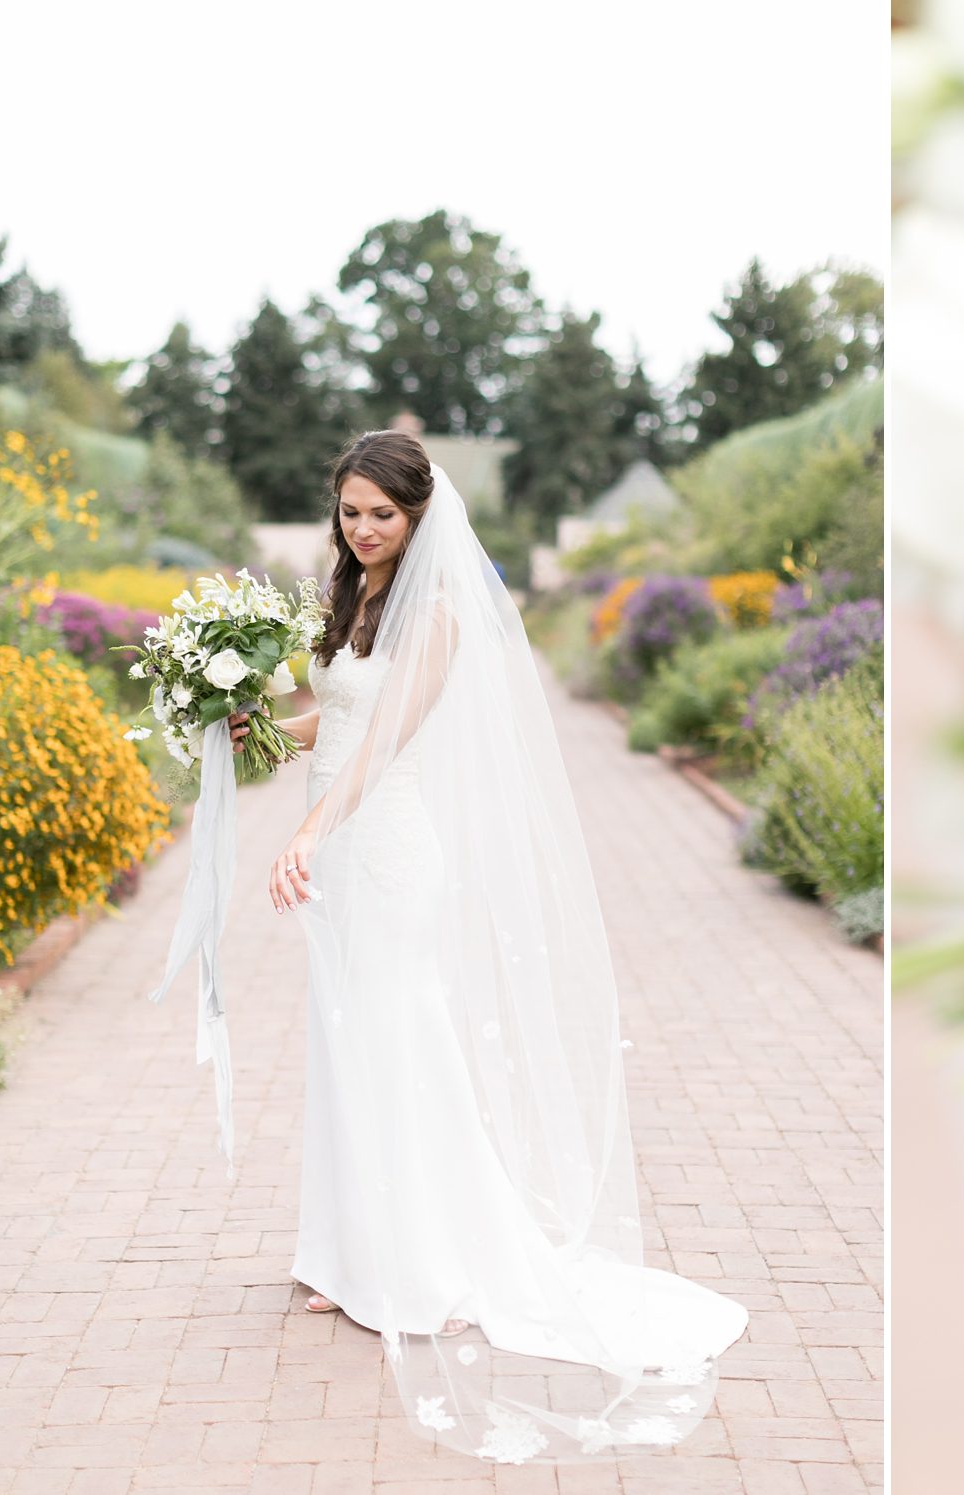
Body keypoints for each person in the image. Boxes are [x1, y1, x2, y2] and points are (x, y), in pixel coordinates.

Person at [226, 429, 747, 1465]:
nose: (363, 529)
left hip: (382, 848)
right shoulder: (351, 606)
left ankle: (428, 1266)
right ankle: (341, 1251)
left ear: (418, 515)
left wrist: (308, 828)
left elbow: (381, 742)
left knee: (398, 1036)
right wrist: (251, 725)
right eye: (350, 512)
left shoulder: (442, 615)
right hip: (337, 847)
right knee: (344, 1043)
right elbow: (328, 723)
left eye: (381, 512)